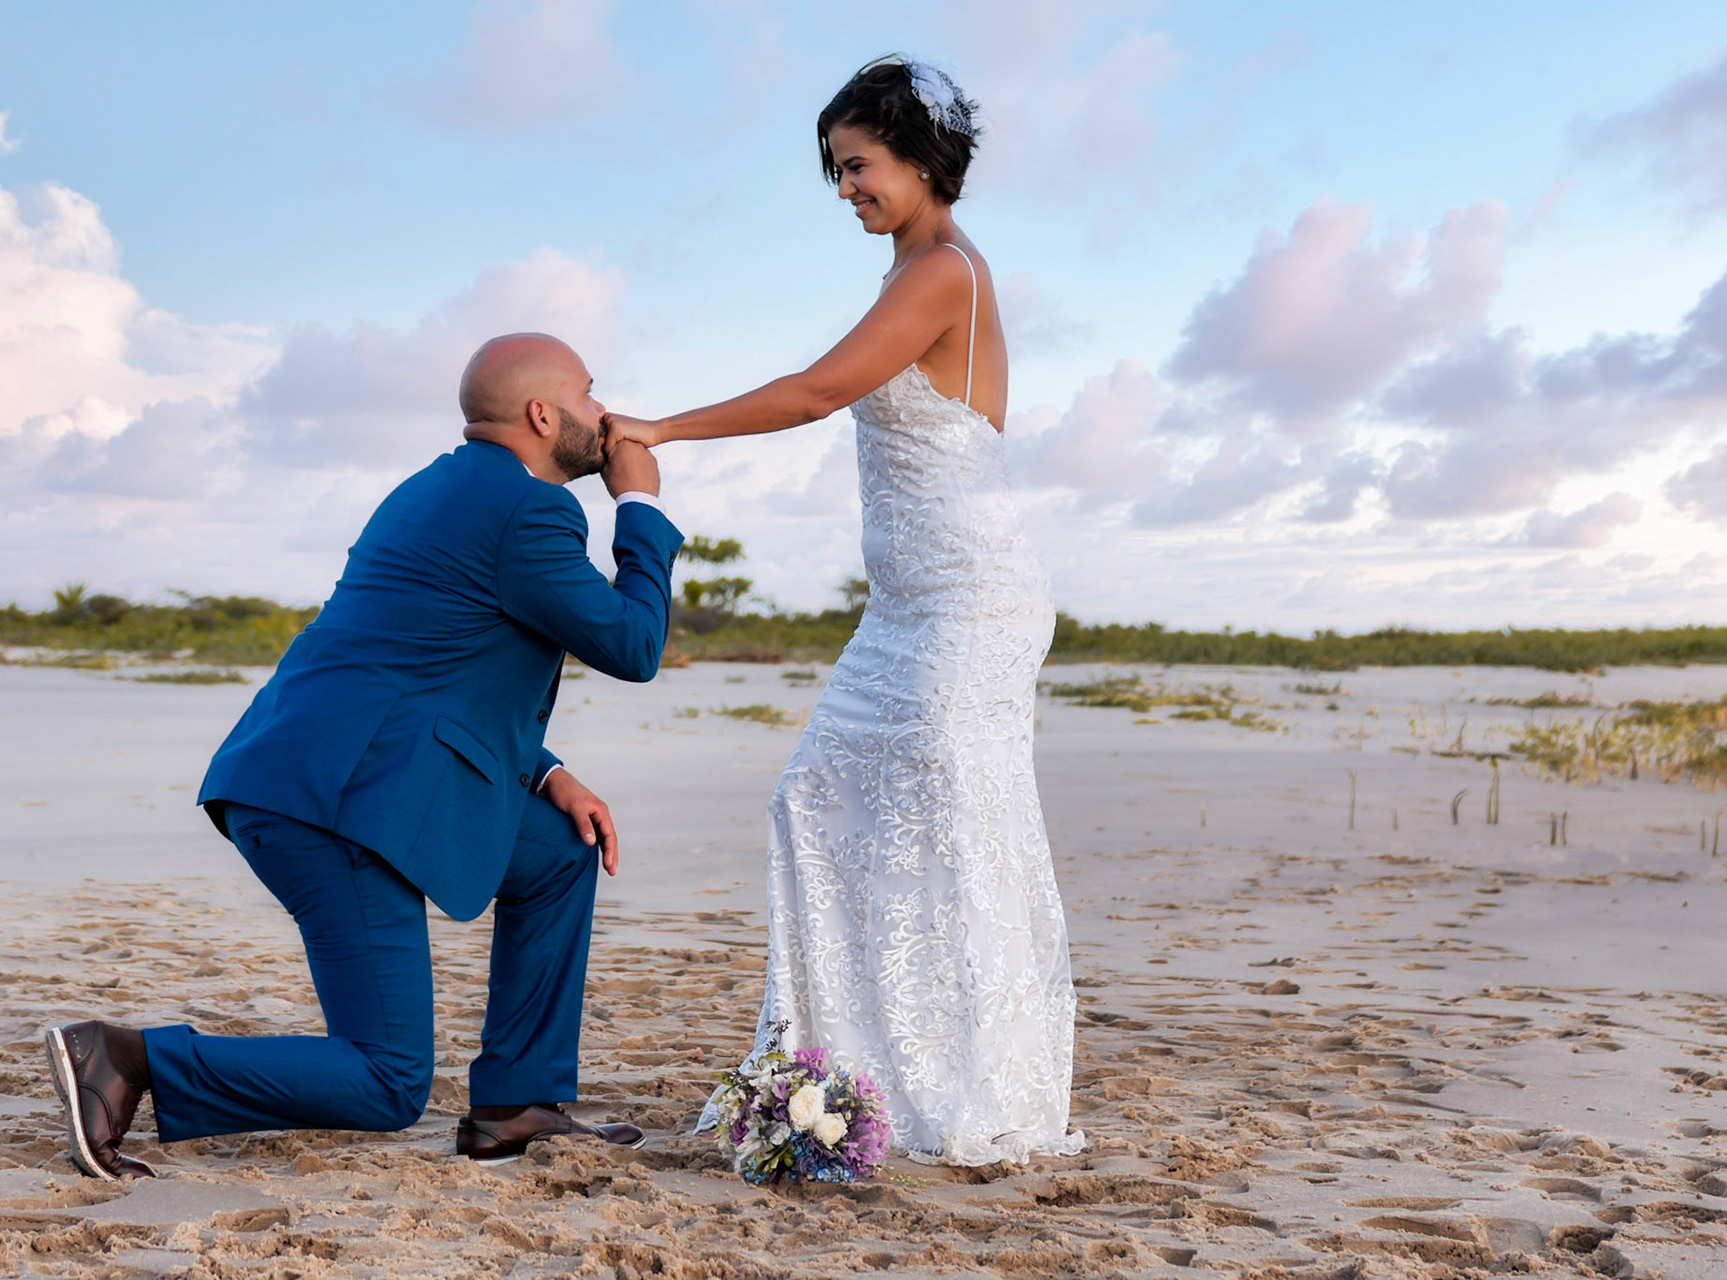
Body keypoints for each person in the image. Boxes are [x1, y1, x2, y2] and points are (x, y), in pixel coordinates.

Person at [44, 333, 682, 1178]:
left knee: (561, 851)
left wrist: (549, 773)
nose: (606, 414)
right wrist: (638, 507)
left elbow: (432, 668)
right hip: (334, 806)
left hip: (337, 773)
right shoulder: (532, 511)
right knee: (387, 1081)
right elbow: (633, 645)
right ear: (541, 413)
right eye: (593, 395)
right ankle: (126, 1061)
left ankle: (517, 1106)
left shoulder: (430, 490)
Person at [604, 57, 1083, 1166]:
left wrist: (661, 430)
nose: (844, 188)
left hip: (970, 599)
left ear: (918, 157)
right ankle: (847, 1075)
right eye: (834, 170)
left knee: (950, 826)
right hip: (906, 607)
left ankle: (948, 1092)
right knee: (816, 798)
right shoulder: (912, 272)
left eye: (857, 165)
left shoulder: (946, 272)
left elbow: (818, 391)